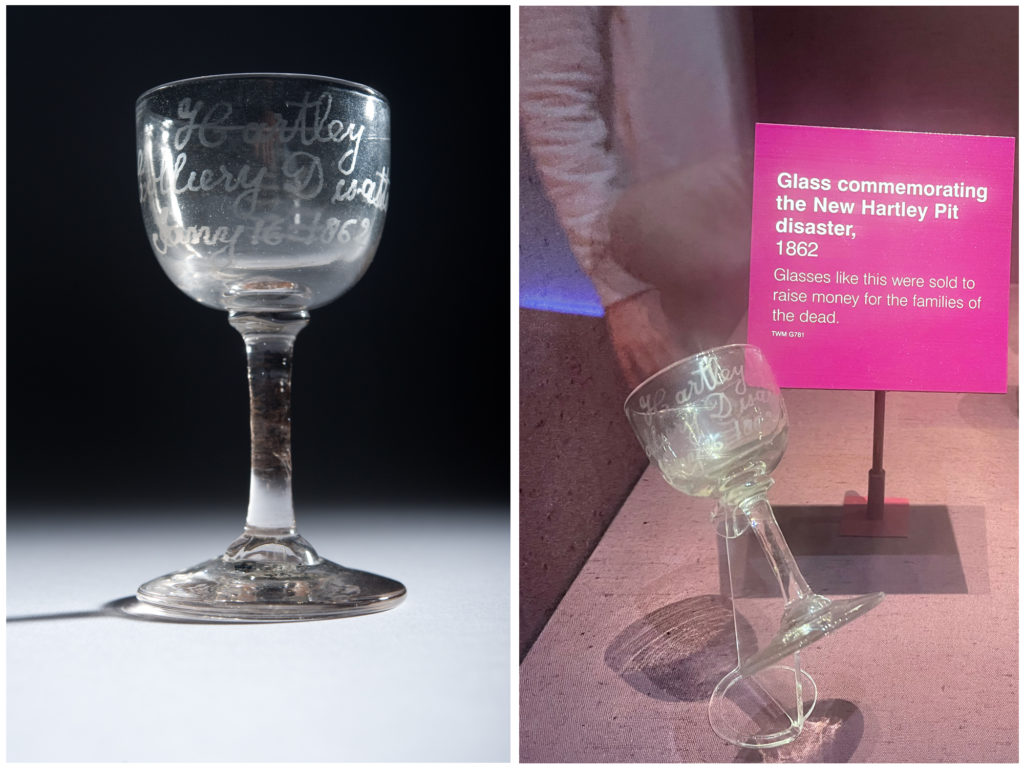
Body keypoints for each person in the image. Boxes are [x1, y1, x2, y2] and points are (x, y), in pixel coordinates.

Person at [520, 6, 756, 386]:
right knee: (715, 438)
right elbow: (553, 89)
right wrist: (620, 286)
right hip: (682, 276)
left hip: (819, 227)